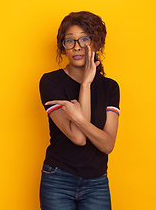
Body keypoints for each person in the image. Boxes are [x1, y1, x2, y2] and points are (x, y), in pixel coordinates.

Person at [39, 11, 120, 210]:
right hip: (58, 179)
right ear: (63, 46)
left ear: (96, 43)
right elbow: (78, 138)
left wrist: (80, 118)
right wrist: (85, 84)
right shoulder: (51, 82)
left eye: (84, 39)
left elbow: (108, 145)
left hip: (97, 183)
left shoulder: (110, 87)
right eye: (70, 41)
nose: (77, 47)